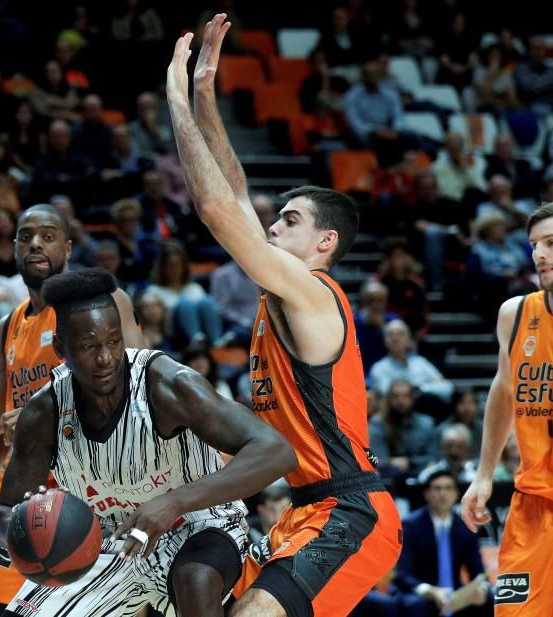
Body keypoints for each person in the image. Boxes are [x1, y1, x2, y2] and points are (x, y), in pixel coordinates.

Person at [167, 16, 401, 616]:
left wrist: (173, 102)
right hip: (302, 509)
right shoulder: (283, 293)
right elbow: (240, 198)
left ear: (325, 242)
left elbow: (219, 210)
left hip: (348, 510)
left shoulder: (314, 293)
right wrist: (204, 94)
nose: (273, 227)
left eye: (290, 221)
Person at [0, 269, 291, 616]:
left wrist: (173, 503)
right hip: (102, 541)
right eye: (88, 347)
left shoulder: (167, 385)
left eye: (114, 341)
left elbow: (275, 451)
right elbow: (4, 509)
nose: (105, 358)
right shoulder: (44, 414)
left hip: (198, 524)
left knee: (195, 579)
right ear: (61, 348)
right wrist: (23, 527)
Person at [0, 204, 145, 616]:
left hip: (95, 499)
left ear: (68, 248)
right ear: (13, 249)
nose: (35, 243)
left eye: (48, 235)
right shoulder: (9, 325)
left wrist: (43, 413)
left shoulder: (100, 303)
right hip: (30, 507)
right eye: (25, 236)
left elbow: (139, 395)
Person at [461, 197, 553, 616]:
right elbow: (504, 391)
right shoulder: (515, 313)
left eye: (551, 242)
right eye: (533, 244)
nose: (539, 254)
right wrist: (484, 474)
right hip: (535, 497)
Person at [396, 470, 490, 617]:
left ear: (457, 494)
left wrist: (482, 589)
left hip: (455, 593)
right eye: (437, 488)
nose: (443, 493)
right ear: (426, 494)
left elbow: (478, 571)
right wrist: (431, 591)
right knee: (415, 606)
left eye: (448, 488)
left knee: (488, 599)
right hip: (422, 592)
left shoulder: (465, 527)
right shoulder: (410, 525)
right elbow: (403, 573)